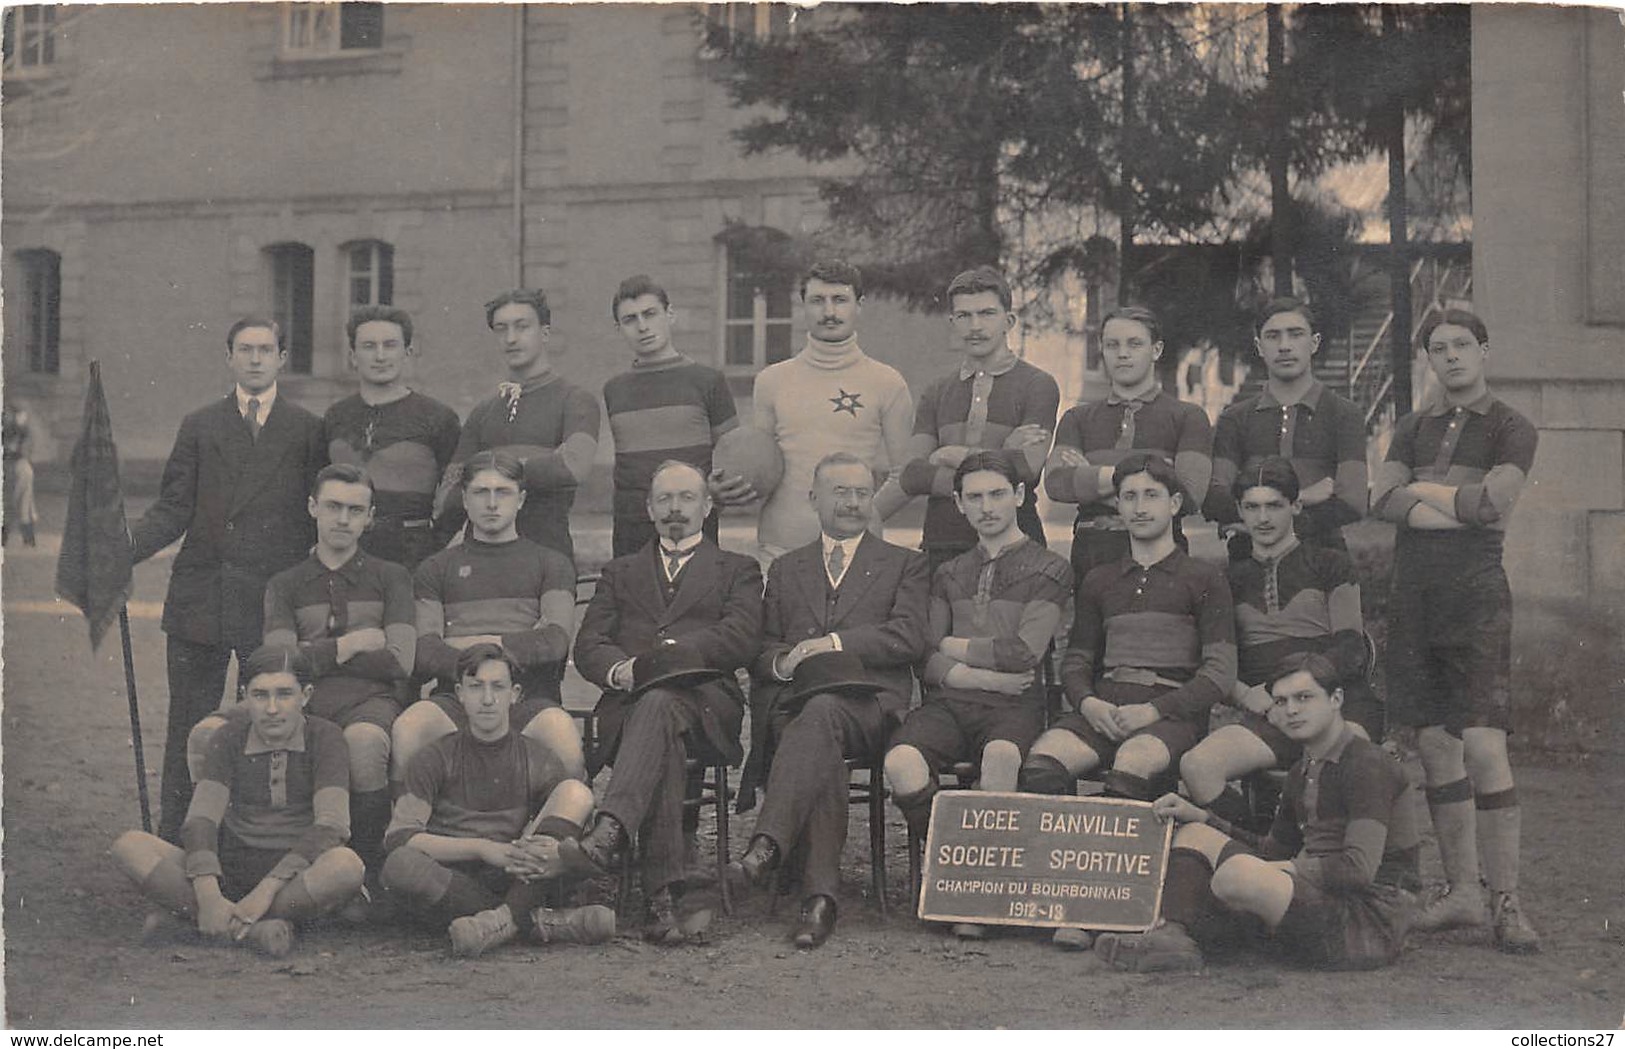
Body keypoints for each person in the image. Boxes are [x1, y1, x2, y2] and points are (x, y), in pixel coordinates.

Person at [1371, 308, 1540, 954]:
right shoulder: (1411, 427)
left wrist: (1422, 496)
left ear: (1484, 350)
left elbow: (1491, 504)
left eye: (1460, 345)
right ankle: (1461, 890)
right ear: (1428, 359)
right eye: (1437, 348)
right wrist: (1453, 503)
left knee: (1480, 743)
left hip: (1473, 598)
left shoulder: (1510, 427)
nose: (1449, 357)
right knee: (1434, 746)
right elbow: (1379, 499)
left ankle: (1505, 899)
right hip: (1412, 596)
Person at [129, 317, 327, 842]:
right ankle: (177, 836)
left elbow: (317, 514)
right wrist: (123, 550)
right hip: (203, 596)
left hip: (270, 602)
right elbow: (174, 507)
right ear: (230, 358)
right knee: (188, 723)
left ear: (283, 357)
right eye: (245, 350)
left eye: (266, 350)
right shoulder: (200, 423)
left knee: (267, 723)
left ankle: (251, 837)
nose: (256, 359)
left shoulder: (307, 429)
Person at [1095, 653, 1418, 973]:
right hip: (1319, 898)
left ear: (1336, 699)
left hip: (1368, 922)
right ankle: (1174, 939)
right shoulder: (1302, 770)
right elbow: (1272, 849)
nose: (1291, 710)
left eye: (1304, 698)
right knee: (1195, 834)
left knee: (1236, 877)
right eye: (1280, 702)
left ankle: (1210, 932)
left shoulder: (1367, 764)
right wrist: (1205, 818)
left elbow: (1358, 870)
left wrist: (1272, 870)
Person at [732, 451, 931, 948]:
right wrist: (786, 661)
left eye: (862, 493)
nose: (852, 503)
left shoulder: (905, 565)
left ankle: (767, 846)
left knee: (821, 717)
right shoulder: (785, 569)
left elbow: (908, 637)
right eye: (840, 492)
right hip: (801, 707)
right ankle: (819, 900)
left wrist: (835, 645)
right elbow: (761, 650)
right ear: (813, 498)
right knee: (818, 725)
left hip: (873, 707)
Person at [564, 460, 763, 943]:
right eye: (666, 500)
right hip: (632, 705)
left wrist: (665, 662)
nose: (677, 510)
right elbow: (590, 644)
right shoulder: (621, 571)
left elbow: (740, 637)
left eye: (687, 498)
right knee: (659, 722)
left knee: (662, 706)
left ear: (707, 505)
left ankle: (612, 832)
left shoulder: (737, 569)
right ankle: (661, 899)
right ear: (649, 509)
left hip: (708, 705)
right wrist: (622, 670)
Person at [884, 451, 1071, 939]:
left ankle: (985, 895)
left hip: (1015, 707)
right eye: (974, 498)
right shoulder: (947, 573)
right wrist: (978, 676)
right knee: (901, 761)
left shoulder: (1049, 568)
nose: (987, 507)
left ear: (1020, 496)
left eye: (997, 494)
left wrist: (953, 649)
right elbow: (926, 658)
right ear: (959, 505)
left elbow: (1022, 653)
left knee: (1002, 757)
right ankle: (955, 870)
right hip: (953, 703)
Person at [110, 645, 365, 958]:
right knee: (129, 845)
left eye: (285, 694)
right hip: (229, 870)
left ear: (306, 695)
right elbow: (200, 820)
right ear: (245, 696)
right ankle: (252, 928)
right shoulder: (228, 737)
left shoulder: (326, 738)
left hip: (293, 878)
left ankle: (200, 928)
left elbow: (331, 825)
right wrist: (208, 895)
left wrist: (266, 890)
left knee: (346, 866)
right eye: (260, 695)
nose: (272, 708)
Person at [227, 463, 415, 880]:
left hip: (370, 703)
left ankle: (366, 873)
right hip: (300, 703)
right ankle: (239, 863)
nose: (343, 519)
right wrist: (350, 644)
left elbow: (400, 659)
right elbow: (279, 661)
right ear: (313, 507)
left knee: (364, 744)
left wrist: (310, 652)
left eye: (355, 510)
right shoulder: (286, 583)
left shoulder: (392, 577)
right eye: (333, 507)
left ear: (369, 518)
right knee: (216, 732)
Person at [1020, 452, 1234, 807]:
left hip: (1170, 713)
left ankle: (1120, 860)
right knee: (1042, 767)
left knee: (1131, 768)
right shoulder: (1100, 580)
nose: (1140, 507)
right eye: (1130, 497)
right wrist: (1089, 705)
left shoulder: (1203, 577)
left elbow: (1221, 671)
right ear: (1117, 505)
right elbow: (1076, 661)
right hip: (1106, 709)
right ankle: (1066, 858)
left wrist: (1154, 710)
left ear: (1175, 503)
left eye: (1152, 495)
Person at [1179, 456, 1379, 827]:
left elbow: (1352, 649)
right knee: (1197, 765)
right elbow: (1217, 662)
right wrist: (1246, 696)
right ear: (1239, 510)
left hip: (1336, 705)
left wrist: (1295, 695)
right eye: (1252, 507)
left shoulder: (1330, 564)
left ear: (1296, 506)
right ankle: (1256, 844)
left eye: (1274, 505)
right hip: (1269, 713)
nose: (1263, 518)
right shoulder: (1226, 581)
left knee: (1347, 767)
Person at [380, 644, 613, 958]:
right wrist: (482, 848)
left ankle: (500, 922)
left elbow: (559, 841)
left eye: (497, 687)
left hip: (515, 876)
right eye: (476, 687)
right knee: (399, 865)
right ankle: (538, 922)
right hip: (451, 879)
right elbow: (399, 838)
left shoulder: (538, 758)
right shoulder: (435, 757)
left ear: (514, 694)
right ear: (460, 693)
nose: (487, 699)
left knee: (576, 792)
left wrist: (533, 850)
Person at [393, 450, 585, 785]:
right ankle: (406, 830)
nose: (492, 503)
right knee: (409, 729)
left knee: (565, 741)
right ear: (465, 499)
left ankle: (558, 834)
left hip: (528, 697)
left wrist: (467, 645)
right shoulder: (436, 568)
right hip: (457, 698)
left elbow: (554, 641)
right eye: (481, 493)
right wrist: (515, 643)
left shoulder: (551, 564)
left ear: (521, 499)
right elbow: (424, 651)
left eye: (503, 492)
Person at [897, 266, 1060, 576]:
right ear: (952, 324)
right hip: (943, 543)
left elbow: (1027, 468)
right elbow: (912, 475)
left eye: (986, 314)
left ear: (1008, 321)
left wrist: (950, 455)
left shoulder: (1038, 384)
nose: (975, 326)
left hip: (1015, 544)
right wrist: (1000, 457)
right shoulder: (936, 391)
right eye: (964, 316)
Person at [751, 259, 914, 563]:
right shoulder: (771, 381)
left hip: (858, 555)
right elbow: (760, 471)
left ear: (859, 305)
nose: (829, 312)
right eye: (817, 301)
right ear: (803, 306)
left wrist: (862, 515)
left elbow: (905, 475)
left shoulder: (886, 382)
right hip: (780, 551)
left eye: (840, 300)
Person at [1045, 305, 1212, 587]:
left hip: (1163, 555)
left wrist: (1093, 478)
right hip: (1092, 551)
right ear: (1102, 350)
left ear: (1156, 350)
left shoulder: (1187, 416)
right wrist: (1152, 481)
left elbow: (1189, 493)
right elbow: (1057, 484)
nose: (1122, 353)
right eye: (1112, 345)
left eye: (1134, 344)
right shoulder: (1077, 418)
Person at [439, 289, 599, 563]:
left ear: (544, 333)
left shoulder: (574, 399)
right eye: (501, 329)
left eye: (522, 327)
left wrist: (485, 470)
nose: (511, 338)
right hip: (480, 555)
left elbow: (573, 468)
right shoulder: (483, 411)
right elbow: (451, 494)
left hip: (546, 554)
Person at [603, 274, 752, 557]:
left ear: (670, 315)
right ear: (618, 328)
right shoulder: (614, 389)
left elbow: (732, 462)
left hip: (694, 528)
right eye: (630, 319)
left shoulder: (708, 381)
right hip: (631, 532)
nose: (643, 326)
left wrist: (713, 495)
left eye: (650, 314)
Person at [1204, 298, 1367, 557]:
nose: (1284, 346)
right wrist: (1303, 496)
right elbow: (1214, 497)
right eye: (1272, 336)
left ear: (1314, 343)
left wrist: (1257, 519)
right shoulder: (1234, 418)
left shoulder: (1344, 414)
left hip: (1322, 557)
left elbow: (1352, 503)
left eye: (1295, 334)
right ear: (1259, 346)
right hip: (1248, 560)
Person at [323, 305, 461, 571]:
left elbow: (455, 494)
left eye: (390, 345)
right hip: (345, 555)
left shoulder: (438, 417)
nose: (380, 356)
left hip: (414, 557)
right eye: (368, 346)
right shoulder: (335, 417)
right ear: (353, 356)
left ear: (407, 353)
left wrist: (434, 549)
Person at [3, 399, 38, 546]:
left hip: (20, 467)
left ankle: (27, 538)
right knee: (15, 502)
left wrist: (14, 449)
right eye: (19, 415)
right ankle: (25, 538)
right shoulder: (9, 429)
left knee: (21, 503)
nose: (22, 418)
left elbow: (23, 450)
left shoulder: (24, 431)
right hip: (12, 468)